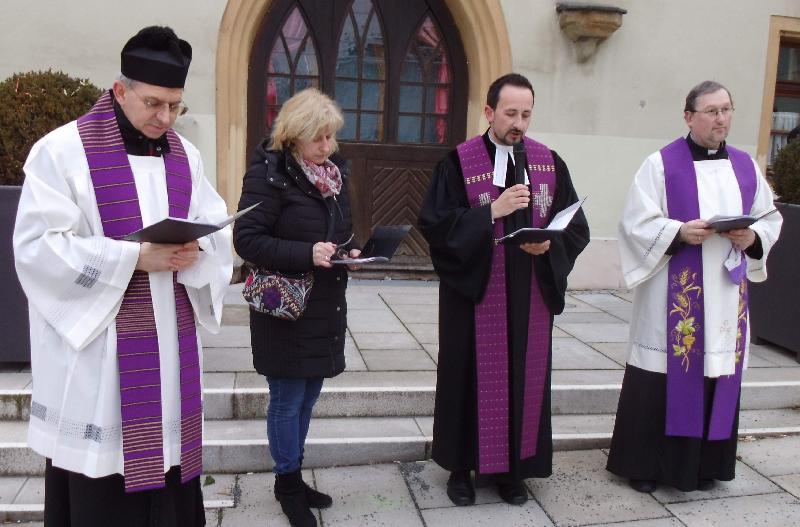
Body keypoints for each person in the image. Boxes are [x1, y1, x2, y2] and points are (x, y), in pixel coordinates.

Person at [13, 26, 233, 525]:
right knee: (106, 488)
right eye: (154, 103)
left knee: (170, 472)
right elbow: (36, 248)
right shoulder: (62, 152)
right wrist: (133, 258)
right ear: (120, 89)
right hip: (100, 361)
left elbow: (216, 226)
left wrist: (199, 246)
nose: (165, 118)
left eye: (175, 106)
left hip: (170, 352)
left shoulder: (185, 156)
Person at [419, 73, 589, 506]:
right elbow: (436, 227)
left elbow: (575, 225)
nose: (519, 123)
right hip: (475, 294)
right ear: (490, 112)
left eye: (526, 114)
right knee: (467, 377)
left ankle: (514, 470)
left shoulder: (548, 161)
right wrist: (491, 211)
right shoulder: (458, 162)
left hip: (530, 294)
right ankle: (461, 469)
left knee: (522, 378)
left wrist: (549, 244)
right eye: (510, 113)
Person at [607, 80, 783, 493]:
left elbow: (768, 217)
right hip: (674, 293)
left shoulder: (745, 166)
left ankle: (705, 467)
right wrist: (678, 231)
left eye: (727, 109)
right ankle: (647, 467)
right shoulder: (660, 165)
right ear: (689, 117)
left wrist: (752, 239)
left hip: (724, 295)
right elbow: (635, 223)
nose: (721, 118)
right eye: (712, 111)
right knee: (664, 374)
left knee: (715, 372)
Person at [233, 88, 360, 527]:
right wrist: (308, 253)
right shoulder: (268, 175)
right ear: (294, 135)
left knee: (308, 398)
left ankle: (294, 473)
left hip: (324, 305)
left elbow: (338, 232)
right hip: (284, 308)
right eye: (318, 138)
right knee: (287, 400)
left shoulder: (335, 175)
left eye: (331, 137)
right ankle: (287, 484)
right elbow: (247, 240)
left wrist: (349, 251)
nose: (328, 146)